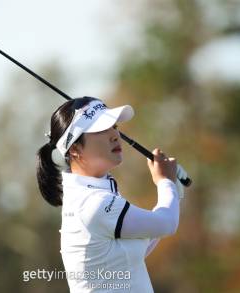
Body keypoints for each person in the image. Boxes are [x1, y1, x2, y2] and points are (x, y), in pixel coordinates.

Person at [36, 96, 183, 292]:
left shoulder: (93, 196)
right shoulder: (94, 204)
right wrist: (165, 182)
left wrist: (173, 191)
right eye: (102, 129)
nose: (115, 135)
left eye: (114, 126)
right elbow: (166, 224)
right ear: (75, 149)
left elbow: (144, 240)